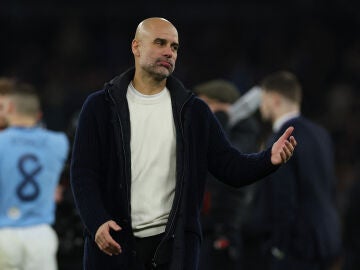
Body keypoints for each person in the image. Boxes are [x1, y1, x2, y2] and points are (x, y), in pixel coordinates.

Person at [70, 17, 297, 270]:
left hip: (173, 251)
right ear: (136, 47)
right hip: (114, 247)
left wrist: (269, 159)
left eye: (174, 47)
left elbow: (230, 166)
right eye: (160, 43)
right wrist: (97, 221)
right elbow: (83, 174)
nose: (169, 52)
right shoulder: (100, 106)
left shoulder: (194, 111)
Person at [242, 71, 341, 270]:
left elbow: (283, 200)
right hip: (326, 241)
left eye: (264, 100)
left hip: (295, 248)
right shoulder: (321, 134)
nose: (262, 106)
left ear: (275, 100)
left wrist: (278, 248)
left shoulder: (280, 141)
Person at [0, 78, 69, 270]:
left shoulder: (1, 143)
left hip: (5, 233)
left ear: (11, 107)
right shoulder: (59, 143)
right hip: (41, 235)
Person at [193, 79, 260, 270]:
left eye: (205, 104)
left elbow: (224, 164)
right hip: (208, 226)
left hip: (228, 228)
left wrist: (220, 119)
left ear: (222, 105)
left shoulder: (245, 130)